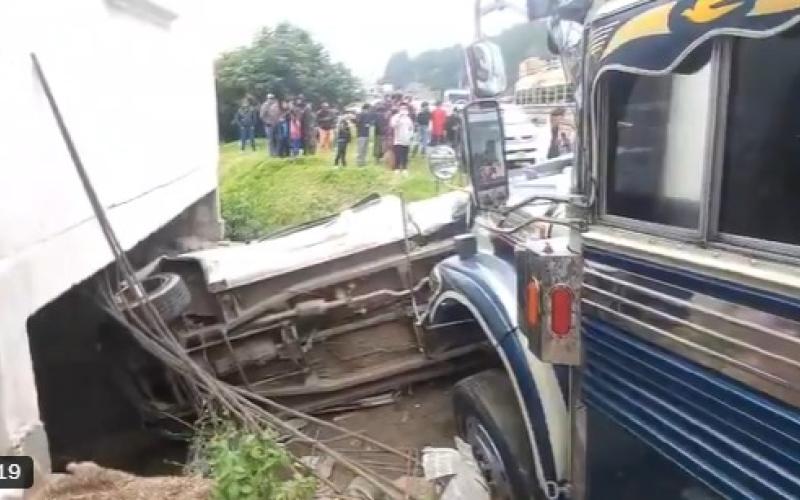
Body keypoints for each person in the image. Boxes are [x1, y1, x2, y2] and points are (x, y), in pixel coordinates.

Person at [391, 105, 414, 175]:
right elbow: (393, 125)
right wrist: (399, 117)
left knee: (405, 155)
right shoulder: (395, 117)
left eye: (405, 109)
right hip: (398, 139)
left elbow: (411, 127)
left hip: (406, 139)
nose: (404, 110)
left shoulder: (408, 118)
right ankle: (397, 168)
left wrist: (411, 135)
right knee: (398, 154)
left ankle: (404, 168)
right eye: (402, 109)